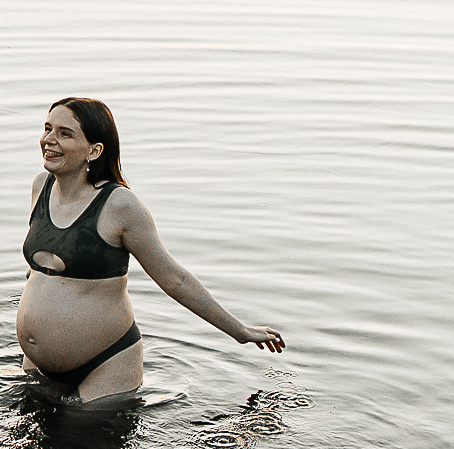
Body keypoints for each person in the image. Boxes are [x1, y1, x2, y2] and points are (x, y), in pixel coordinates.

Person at [17, 96, 283, 407]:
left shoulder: (120, 206)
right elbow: (46, 262)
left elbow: (174, 279)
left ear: (95, 150)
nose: (48, 140)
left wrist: (240, 331)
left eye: (65, 133)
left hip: (105, 365)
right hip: (36, 364)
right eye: (48, 128)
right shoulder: (41, 186)